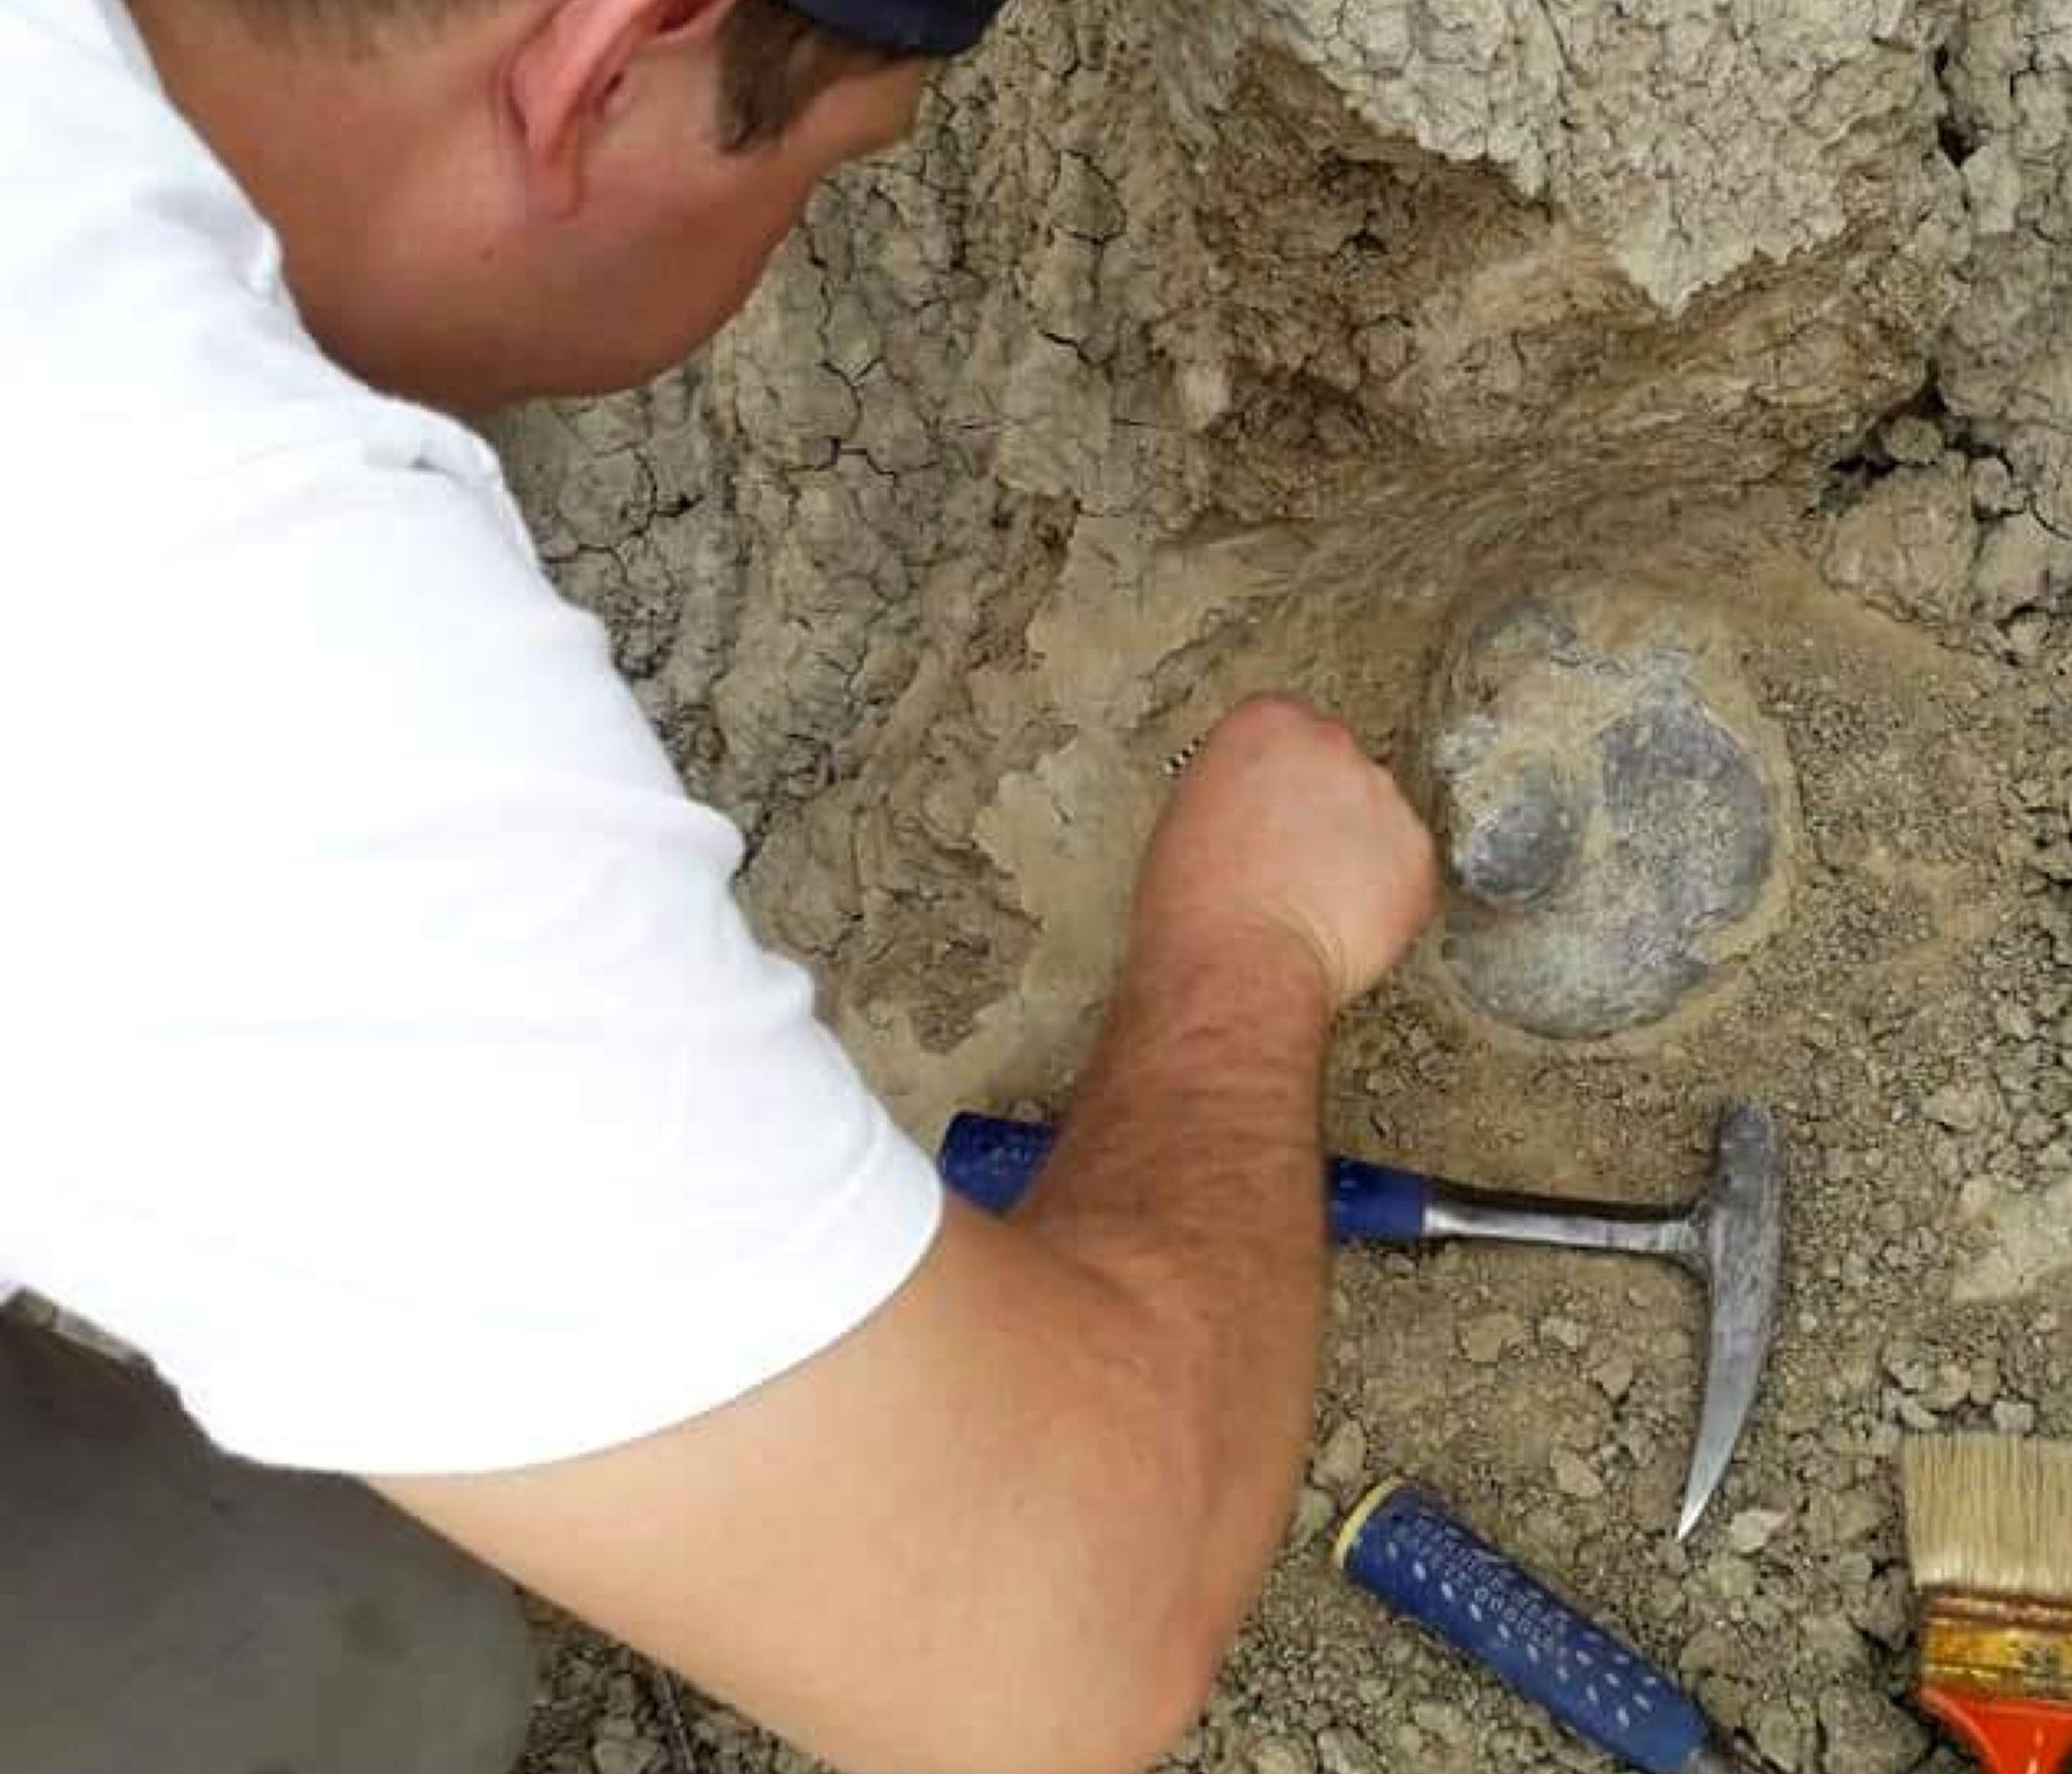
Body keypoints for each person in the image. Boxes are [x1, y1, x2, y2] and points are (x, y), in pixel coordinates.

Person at [0, 0, 1440, 1765]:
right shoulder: (195, 602)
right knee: (342, 1689)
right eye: (829, 172)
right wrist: (1255, 943)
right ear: (601, 70)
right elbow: (1053, 1638)